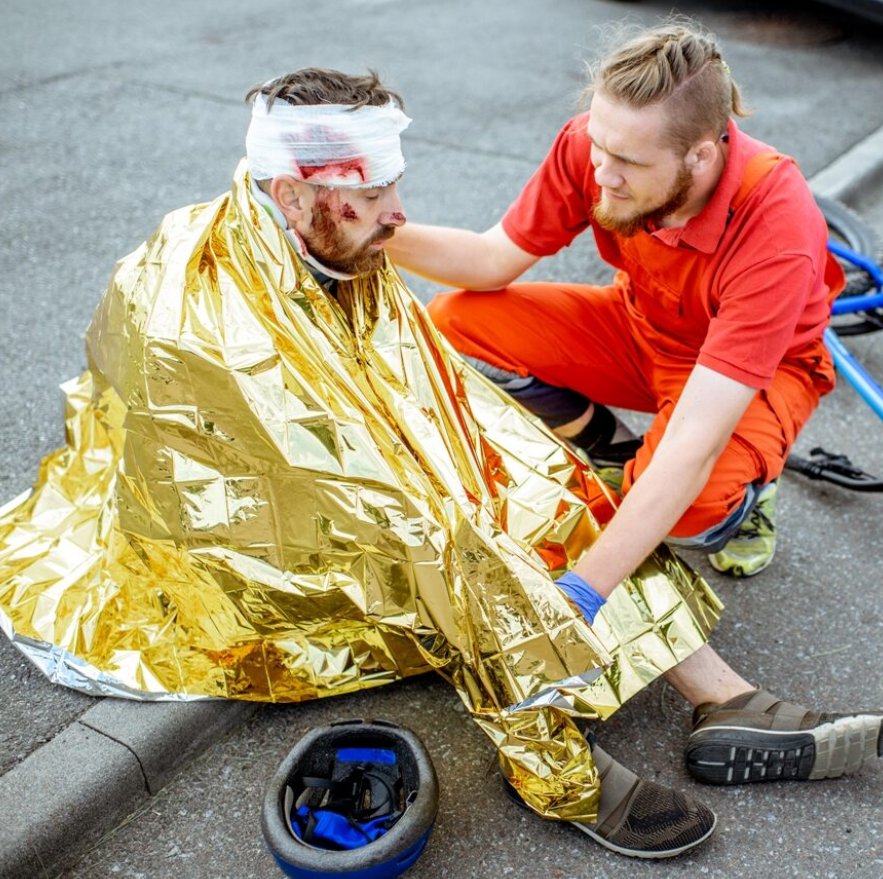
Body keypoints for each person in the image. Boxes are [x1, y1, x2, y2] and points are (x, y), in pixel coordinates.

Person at [0, 67, 877, 864]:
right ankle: (555, 758)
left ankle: (715, 682)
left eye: (395, 190)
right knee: (454, 535)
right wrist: (501, 538)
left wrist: (581, 571)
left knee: (582, 486)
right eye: (374, 196)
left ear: (700, 151)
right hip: (248, 533)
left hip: (736, 371)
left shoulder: (777, 223)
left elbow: (674, 445)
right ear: (291, 193)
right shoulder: (204, 309)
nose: (396, 214)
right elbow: (375, 477)